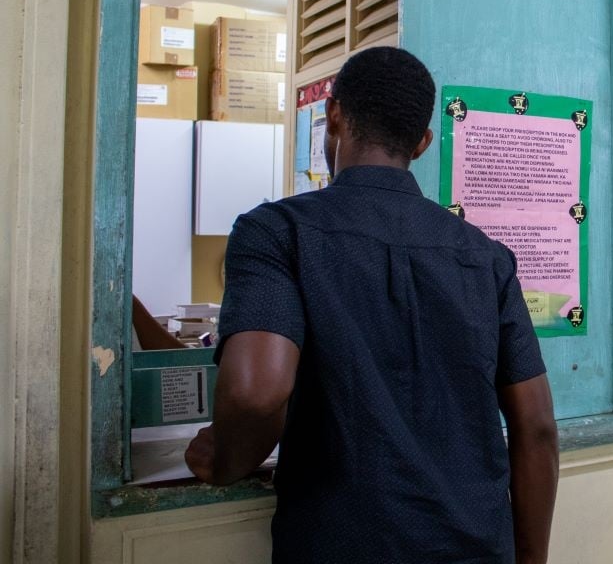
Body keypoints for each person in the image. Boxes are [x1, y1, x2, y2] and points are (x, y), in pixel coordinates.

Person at [185, 47, 559, 563]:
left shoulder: (277, 233)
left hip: (339, 545)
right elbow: (536, 427)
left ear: (333, 114)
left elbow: (255, 393)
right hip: (475, 545)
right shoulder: (486, 257)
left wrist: (225, 460)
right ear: (422, 142)